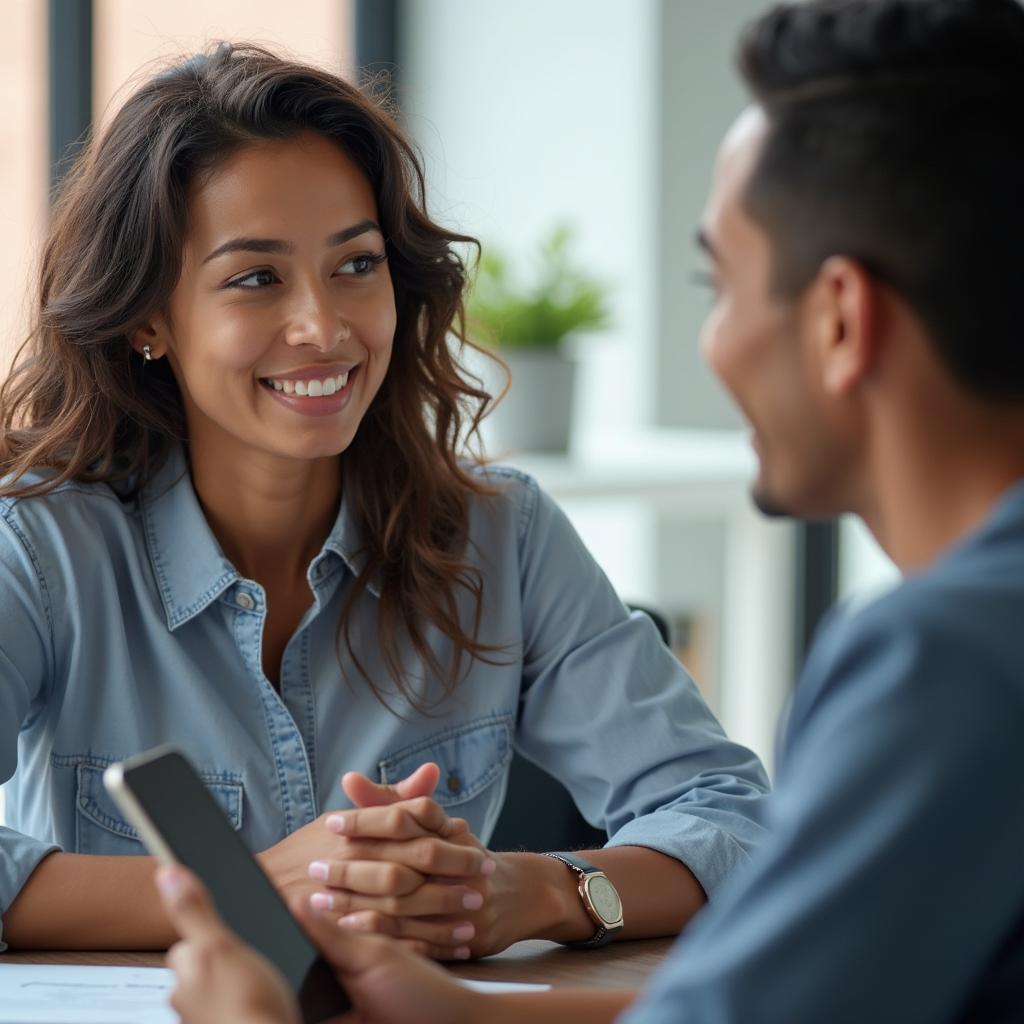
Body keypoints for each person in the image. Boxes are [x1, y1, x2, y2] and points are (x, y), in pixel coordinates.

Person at [154, 0, 1024, 1020]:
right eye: (254, 277)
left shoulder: (943, 662)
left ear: (839, 318)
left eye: (717, 283)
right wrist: (454, 1008)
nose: (321, 323)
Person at [0, 45, 770, 956]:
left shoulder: (502, 538)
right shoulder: (40, 551)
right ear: (148, 319)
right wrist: (247, 895)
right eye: (257, 277)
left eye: (356, 265)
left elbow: (733, 817)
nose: (324, 328)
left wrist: (535, 891)